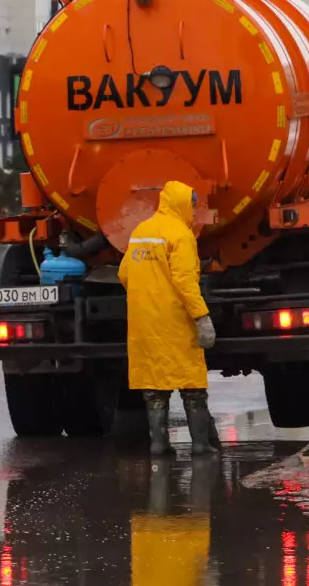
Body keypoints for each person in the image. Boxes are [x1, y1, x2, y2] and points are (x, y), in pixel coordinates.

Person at [117, 181, 219, 456]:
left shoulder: (141, 231)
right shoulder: (180, 235)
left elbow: (124, 274)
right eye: (192, 204)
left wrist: (148, 294)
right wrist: (201, 317)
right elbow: (185, 282)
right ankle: (201, 445)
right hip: (176, 322)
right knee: (191, 385)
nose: (194, 210)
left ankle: (159, 445)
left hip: (144, 322)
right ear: (182, 204)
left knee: (153, 387)